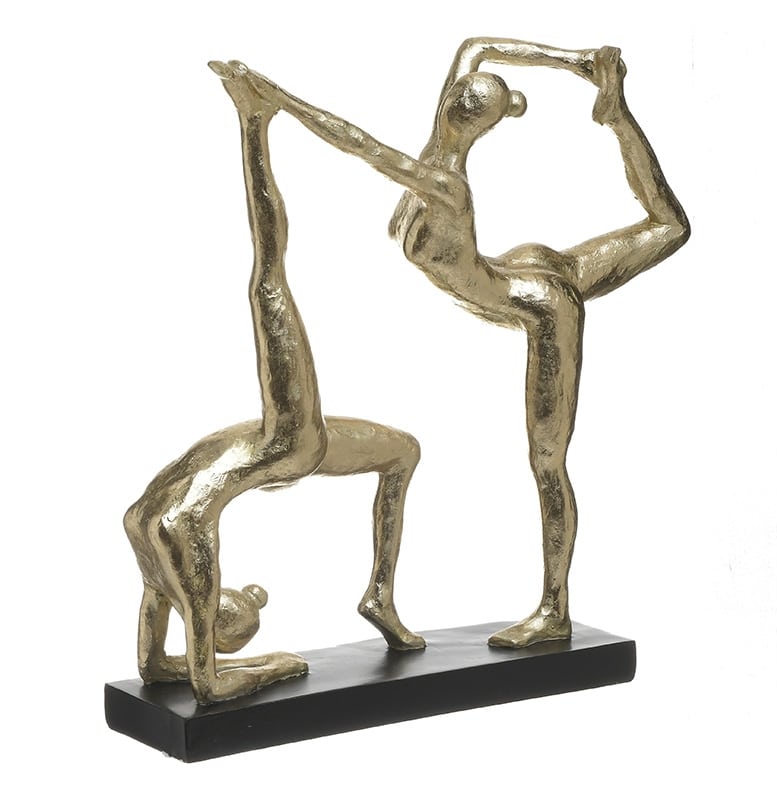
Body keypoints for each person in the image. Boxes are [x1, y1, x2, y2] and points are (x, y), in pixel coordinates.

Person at [235, 38, 689, 648]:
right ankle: (615, 110)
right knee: (668, 227)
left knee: (548, 463)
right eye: (457, 95)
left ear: (471, 119)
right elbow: (477, 45)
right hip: (523, 267)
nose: (451, 102)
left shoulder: (444, 183)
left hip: (540, 304)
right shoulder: (440, 141)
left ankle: (554, 609)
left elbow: (359, 144)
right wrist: (575, 61)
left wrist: (274, 101)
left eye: (462, 102)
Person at [123, 62, 423, 704]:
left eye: (228, 603)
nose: (241, 593)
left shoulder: (170, 531)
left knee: (401, 447)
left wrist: (239, 656)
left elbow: (158, 666)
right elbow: (205, 685)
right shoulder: (171, 533)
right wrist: (268, 665)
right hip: (279, 449)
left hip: (275, 452)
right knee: (269, 277)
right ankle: (253, 121)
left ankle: (379, 595)